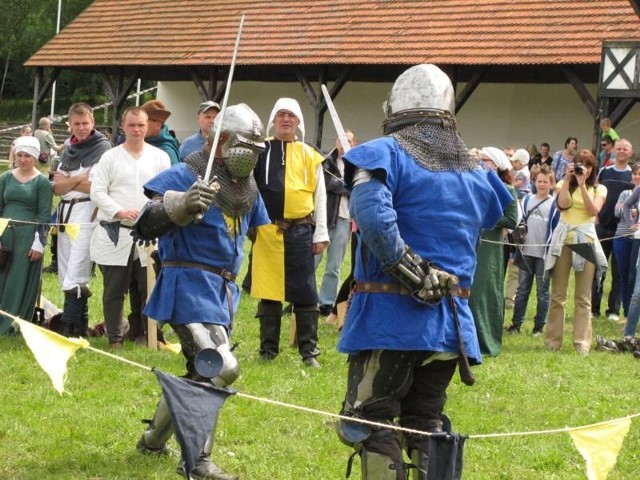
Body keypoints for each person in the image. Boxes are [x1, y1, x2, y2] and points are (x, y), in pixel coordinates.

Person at [335, 64, 514, 479]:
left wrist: (414, 273)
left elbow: (373, 219)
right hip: (449, 325)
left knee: (368, 421)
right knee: (426, 422)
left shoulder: (384, 153)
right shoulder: (475, 171)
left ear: (395, 107)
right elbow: (508, 211)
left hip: (391, 318)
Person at [134, 103, 269, 480]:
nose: (250, 154)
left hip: (224, 292)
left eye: (257, 147)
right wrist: (179, 204)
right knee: (219, 366)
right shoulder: (185, 172)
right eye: (245, 144)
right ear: (220, 139)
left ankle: (153, 439)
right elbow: (144, 221)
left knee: (201, 370)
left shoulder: (248, 189)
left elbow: (253, 234)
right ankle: (197, 460)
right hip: (187, 283)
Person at [250, 97, 329, 368]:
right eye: (281, 114)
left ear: (298, 122)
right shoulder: (259, 151)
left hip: (301, 231)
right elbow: (249, 191)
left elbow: (320, 196)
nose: (286, 119)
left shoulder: (310, 154)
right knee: (269, 293)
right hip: (268, 231)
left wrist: (321, 234)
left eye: (291, 116)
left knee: (306, 293)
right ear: (274, 119)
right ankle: (268, 351)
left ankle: (309, 353)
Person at [89, 107, 171, 348]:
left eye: (141, 125)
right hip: (117, 231)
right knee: (115, 290)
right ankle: (115, 338)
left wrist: (155, 210)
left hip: (149, 233)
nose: (136, 130)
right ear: (123, 126)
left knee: (148, 289)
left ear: (148, 127)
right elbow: (97, 191)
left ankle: (148, 334)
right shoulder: (110, 157)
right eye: (132, 125)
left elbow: (165, 191)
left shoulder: (160, 157)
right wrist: (119, 211)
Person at [52, 102, 112, 337]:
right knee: (66, 270)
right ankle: (80, 327)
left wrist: (71, 180)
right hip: (66, 213)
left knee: (77, 269)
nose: (81, 128)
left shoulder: (103, 147)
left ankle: (68, 328)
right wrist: (79, 179)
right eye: (76, 124)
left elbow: (97, 187)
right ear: (70, 124)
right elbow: (56, 188)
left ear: (93, 122)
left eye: (85, 123)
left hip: (87, 213)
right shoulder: (69, 148)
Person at [544, 149, 607, 355]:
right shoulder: (563, 184)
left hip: (586, 242)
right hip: (563, 241)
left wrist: (582, 184)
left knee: (583, 297)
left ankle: (582, 343)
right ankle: (553, 341)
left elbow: (593, 211)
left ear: (593, 169)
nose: (584, 169)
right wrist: (568, 178)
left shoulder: (599, 188)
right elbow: (562, 206)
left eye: (588, 166)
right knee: (558, 295)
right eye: (580, 164)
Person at [0, 136, 53, 336]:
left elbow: (44, 215)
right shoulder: (5, 177)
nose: (23, 160)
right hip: (5, 233)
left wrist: (39, 244)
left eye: (27, 156)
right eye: (20, 155)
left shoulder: (42, 182)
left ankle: (11, 323)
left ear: (35, 157)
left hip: (27, 237)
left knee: (17, 279)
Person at [470, 147, 519, 356]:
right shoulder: (474, 184)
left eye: (485, 160)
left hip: (490, 248)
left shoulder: (507, 189)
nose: (481, 163)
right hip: (471, 244)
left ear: (496, 164)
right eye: (480, 159)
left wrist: (486, 217)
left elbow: (512, 220)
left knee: (484, 292)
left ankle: (485, 341)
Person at [505, 166, 559, 335]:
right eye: (539, 181)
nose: (542, 184)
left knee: (542, 292)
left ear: (551, 183)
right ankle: (516, 324)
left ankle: (538, 327)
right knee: (522, 291)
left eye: (546, 181)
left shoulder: (555, 204)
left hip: (543, 255)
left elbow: (556, 229)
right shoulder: (527, 200)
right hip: (525, 253)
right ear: (534, 182)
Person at [591, 138, 633, 321]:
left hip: (622, 230)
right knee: (597, 269)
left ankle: (614, 310)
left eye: (625, 149)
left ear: (630, 153)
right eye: (619, 148)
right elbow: (594, 192)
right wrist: (595, 217)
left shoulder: (633, 175)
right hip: (602, 226)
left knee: (619, 271)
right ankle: (593, 308)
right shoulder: (604, 172)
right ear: (613, 151)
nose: (622, 151)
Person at [315, 129, 357, 316]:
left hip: (344, 219)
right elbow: (325, 183)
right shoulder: (325, 161)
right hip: (324, 216)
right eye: (341, 139)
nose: (343, 143)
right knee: (312, 261)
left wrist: (341, 187)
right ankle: (301, 300)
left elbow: (356, 189)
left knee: (334, 265)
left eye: (347, 140)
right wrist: (343, 187)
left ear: (353, 144)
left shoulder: (357, 165)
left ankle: (326, 302)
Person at [612, 163, 640, 319]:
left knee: (633, 276)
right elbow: (617, 211)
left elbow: (625, 209)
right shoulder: (625, 193)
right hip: (622, 237)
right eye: (635, 174)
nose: (637, 176)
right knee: (623, 275)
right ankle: (627, 311)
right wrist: (634, 212)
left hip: (638, 240)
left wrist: (631, 211)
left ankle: (634, 311)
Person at [140, 99, 181, 165]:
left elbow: (172, 175)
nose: (139, 127)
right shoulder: (142, 142)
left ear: (158, 125)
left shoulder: (167, 152)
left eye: (144, 122)